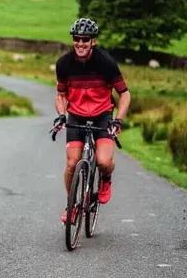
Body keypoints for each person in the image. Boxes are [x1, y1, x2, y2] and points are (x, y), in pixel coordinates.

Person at [53, 18, 131, 222]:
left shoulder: (106, 63)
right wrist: (61, 116)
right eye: (77, 39)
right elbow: (61, 94)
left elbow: (124, 94)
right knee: (71, 164)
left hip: (102, 117)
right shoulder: (64, 64)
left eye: (85, 39)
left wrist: (118, 120)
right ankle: (71, 205)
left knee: (104, 161)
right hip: (76, 116)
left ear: (93, 41)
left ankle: (105, 178)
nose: (80, 43)